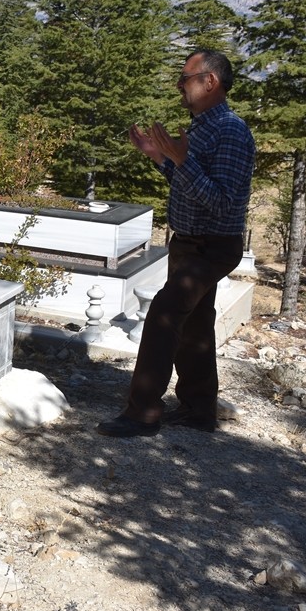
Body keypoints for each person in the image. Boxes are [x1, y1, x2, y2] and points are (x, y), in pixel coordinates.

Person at [97, 49, 255, 437]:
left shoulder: (230, 131)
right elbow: (189, 187)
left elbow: (221, 201)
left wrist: (182, 162)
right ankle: (199, 409)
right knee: (196, 325)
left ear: (210, 81)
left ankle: (143, 412)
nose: (179, 86)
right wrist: (161, 158)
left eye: (185, 78)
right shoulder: (202, 126)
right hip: (189, 243)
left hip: (212, 245)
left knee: (165, 313)